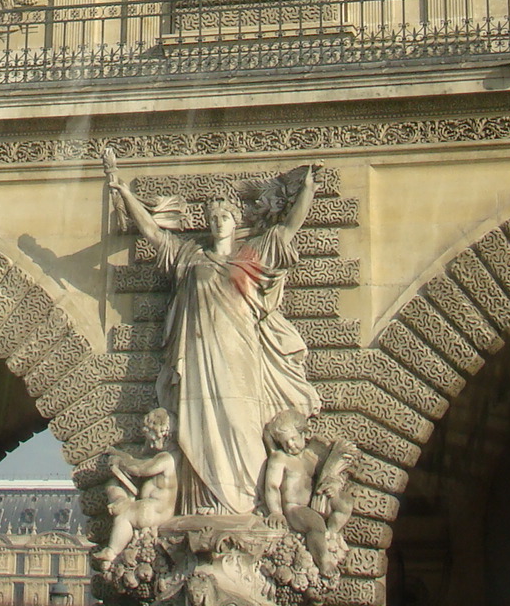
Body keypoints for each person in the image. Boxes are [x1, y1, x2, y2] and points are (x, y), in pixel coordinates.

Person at [103, 147, 321, 515]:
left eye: (225, 216)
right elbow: (154, 233)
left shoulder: (251, 254)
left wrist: (309, 191)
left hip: (240, 354)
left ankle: (246, 505)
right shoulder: (190, 257)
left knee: (242, 425)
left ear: (236, 222)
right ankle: (200, 506)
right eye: (214, 216)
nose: (219, 221)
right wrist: (124, 193)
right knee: (197, 424)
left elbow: (287, 229)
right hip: (197, 355)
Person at [259, 409, 354, 569]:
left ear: (303, 433)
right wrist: (276, 512)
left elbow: (331, 475)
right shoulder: (280, 458)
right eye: (285, 442)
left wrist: (333, 487)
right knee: (315, 523)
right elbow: (272, 486)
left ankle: (331, 534)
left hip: (313, 504)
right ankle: (324, 563)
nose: (290, 445)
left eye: (293, 439)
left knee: (346, 502)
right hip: (294, 509)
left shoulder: (312, 458)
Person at [96, 406, 180, 564]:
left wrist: (121, 462)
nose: (152, 444)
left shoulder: (167, 458)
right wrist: (119, 454)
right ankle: (120, 500)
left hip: (156, 510)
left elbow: (141, 469)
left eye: (154, 438)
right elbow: (137, 461)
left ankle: (112, 550)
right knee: (112, 484)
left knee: (125, 516)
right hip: (150, 507)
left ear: (166, 435)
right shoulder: (159, 455)